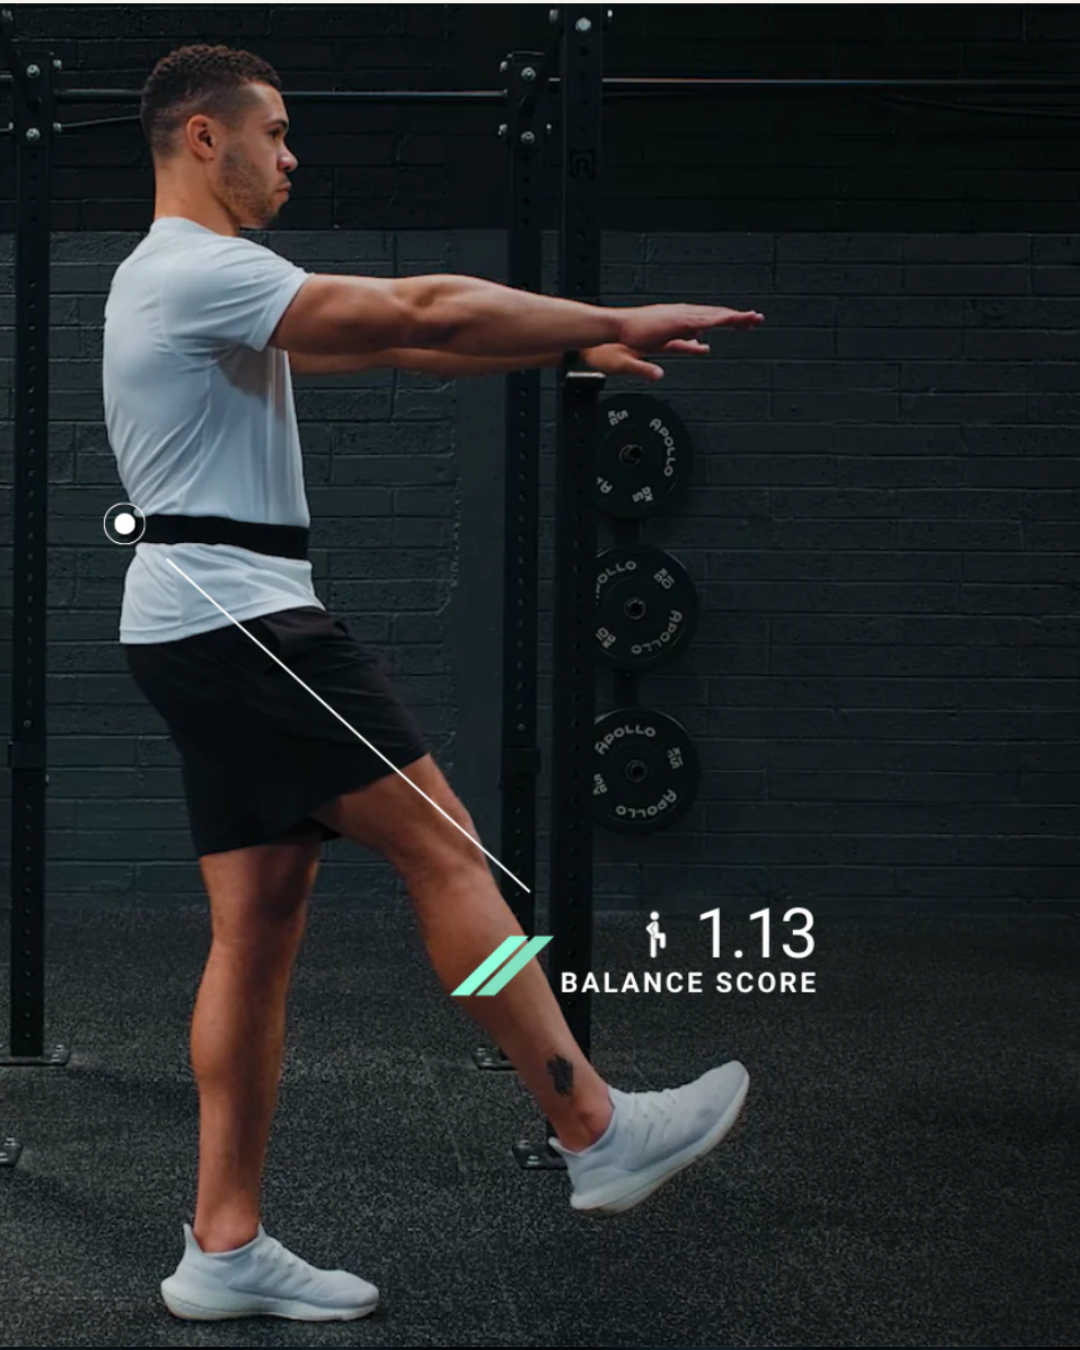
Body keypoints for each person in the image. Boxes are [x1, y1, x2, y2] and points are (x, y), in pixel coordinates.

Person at [106, 43, 763, 1325]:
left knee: (260, 927)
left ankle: (222, 1246)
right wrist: (608, 316)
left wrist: (561, 357)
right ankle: (595, 1129)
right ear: (202, 137)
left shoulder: (176, 289)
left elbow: (405, 350)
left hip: (194, 620)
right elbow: (418, 313)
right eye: (276, 135)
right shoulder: (197, 271)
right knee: (450, 852)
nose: (291, 159)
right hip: (246, 622)